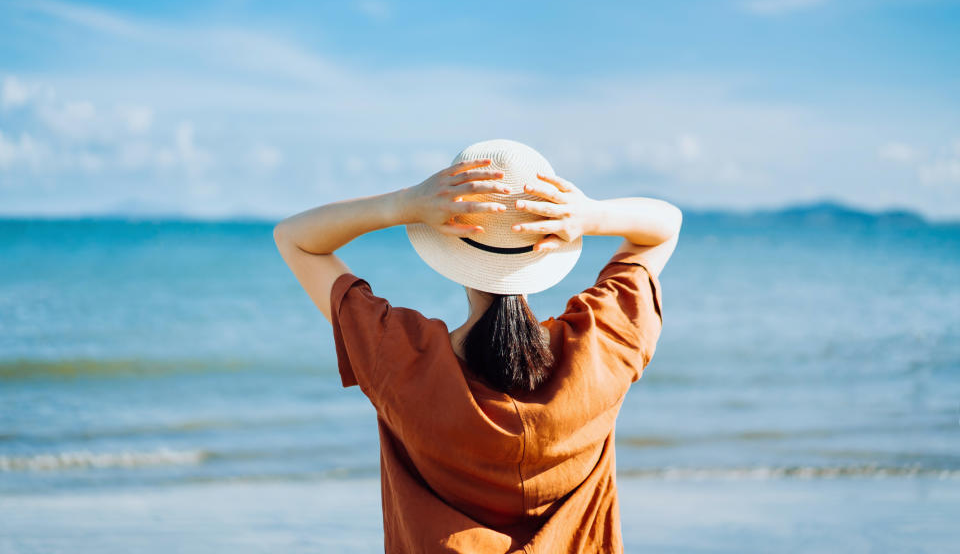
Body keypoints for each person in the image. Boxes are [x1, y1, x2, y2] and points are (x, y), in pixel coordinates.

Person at [274, 139, 682, 553]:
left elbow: (294, 237)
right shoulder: (599, 346)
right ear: (552, 244)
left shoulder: (400, 359)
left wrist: (404, 205)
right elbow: (665, 227)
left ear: (449, 244)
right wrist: (590, 214)